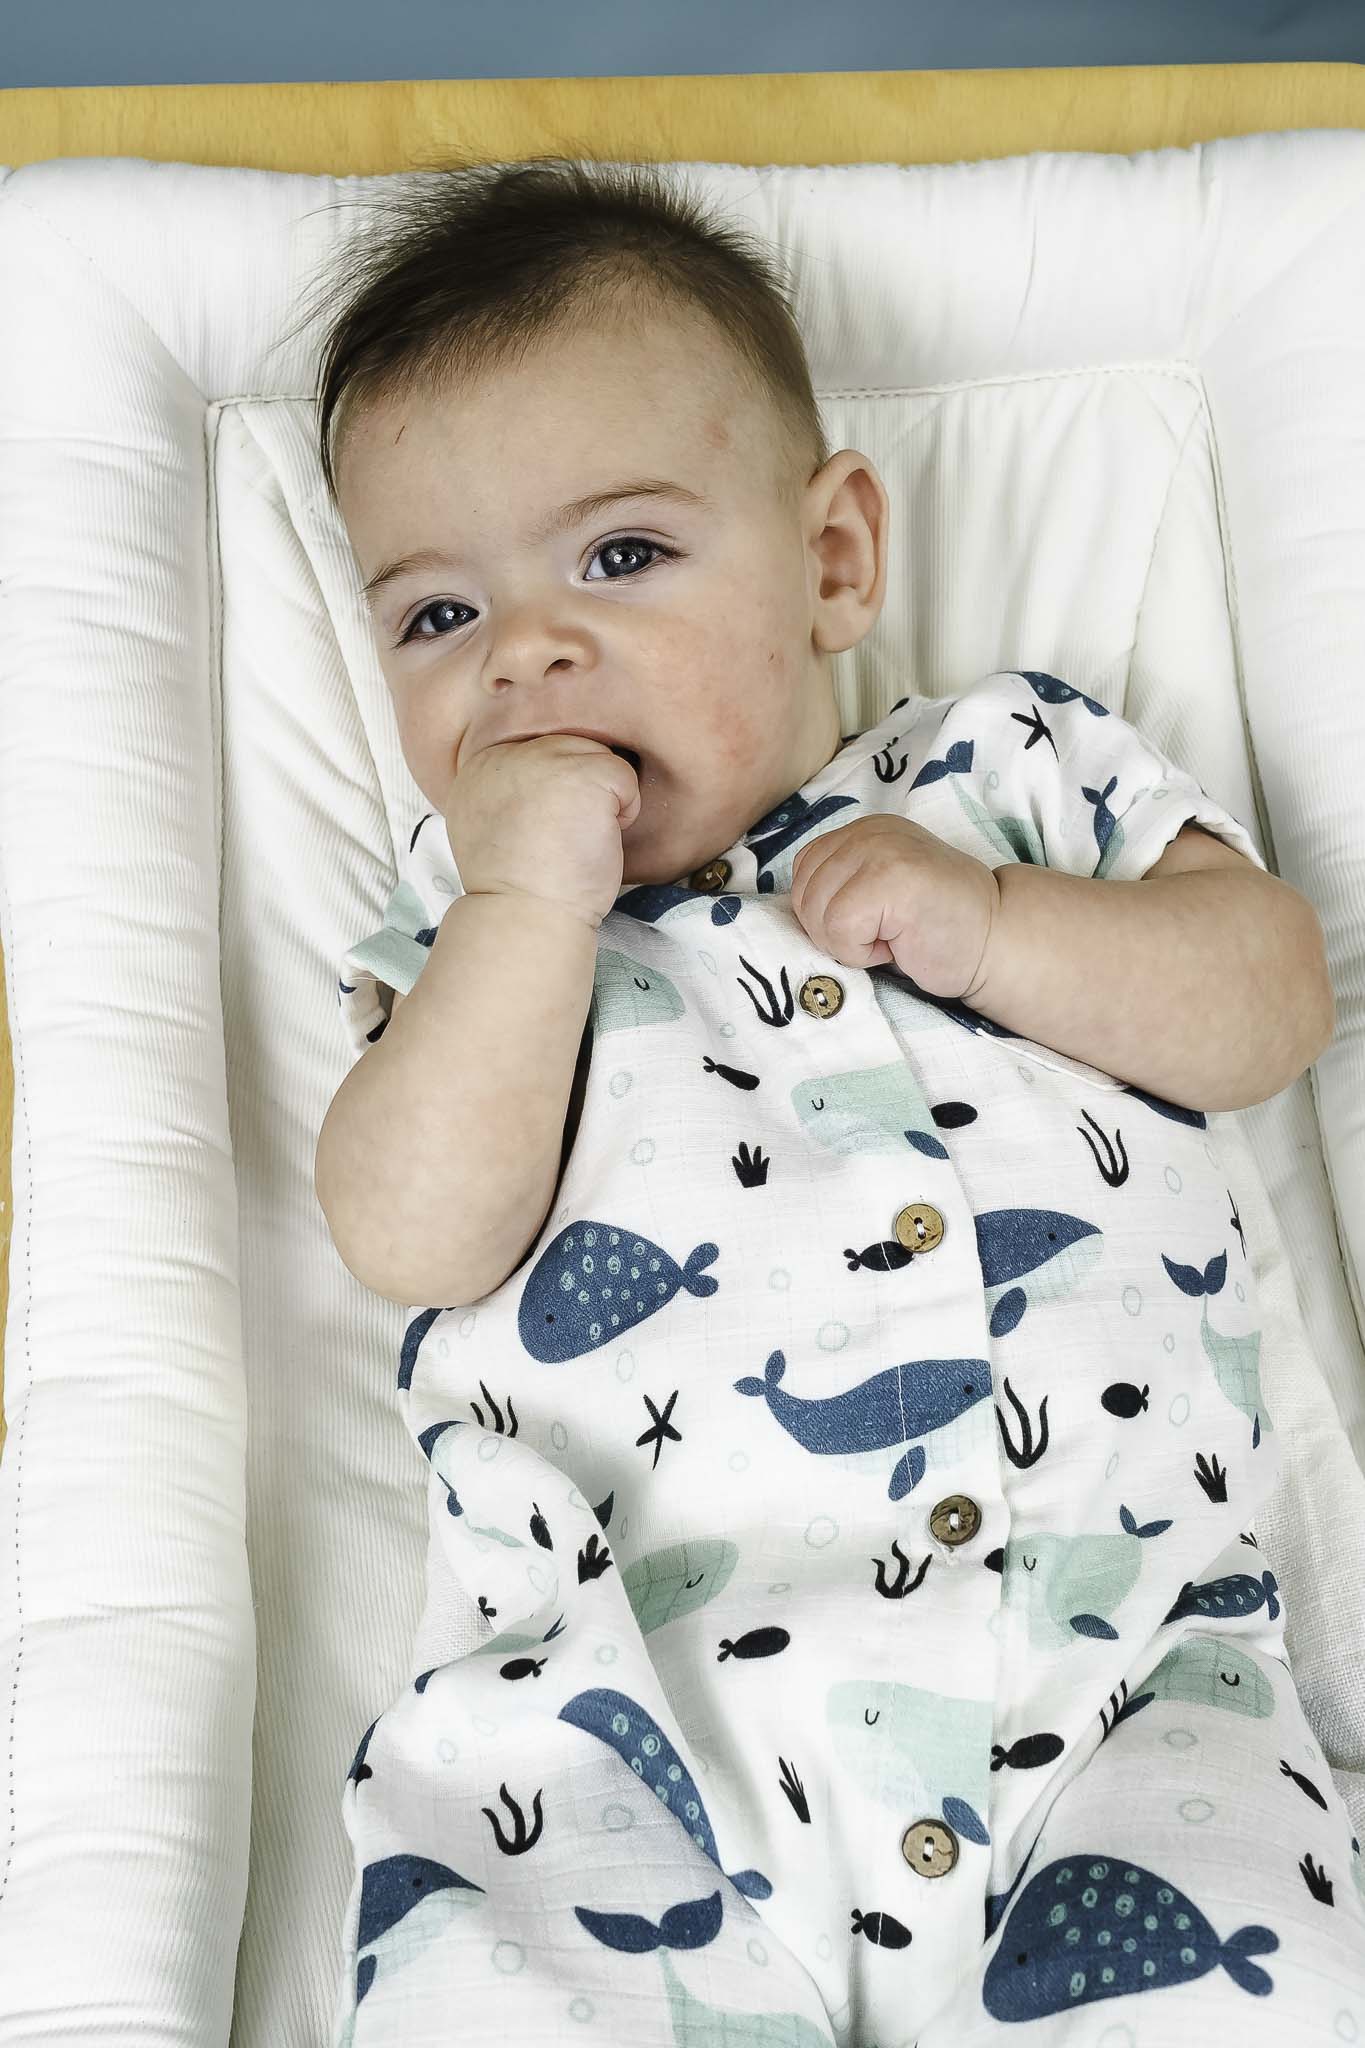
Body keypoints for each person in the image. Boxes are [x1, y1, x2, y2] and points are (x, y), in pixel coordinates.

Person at [310, 155, 1362, 2047]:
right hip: (621, 1720)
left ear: (831, 563)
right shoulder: (462, 924)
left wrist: (999, 927)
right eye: (437, 615)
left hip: (1122, 1682)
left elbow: (1267, 1004)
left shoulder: (1009, 769)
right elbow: (408, 1230)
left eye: (618, 558)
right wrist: (523, 907)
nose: (526, 652)